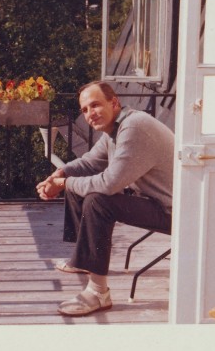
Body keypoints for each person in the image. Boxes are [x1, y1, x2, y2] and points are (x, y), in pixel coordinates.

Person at [36, 81, 174, 316]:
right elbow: (90, 162)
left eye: (95, 105)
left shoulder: (134, 127)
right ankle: (83, 260)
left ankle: (98, 293)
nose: (90, 114)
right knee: (76, 178)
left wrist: (64, 184)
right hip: (151, 200)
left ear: (114, 102)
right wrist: (58, 175)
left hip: (173, 211)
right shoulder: (116, 127)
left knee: (98, 201)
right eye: (85, 110)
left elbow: (109, 184)